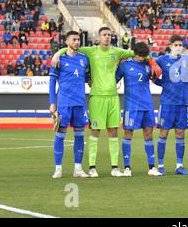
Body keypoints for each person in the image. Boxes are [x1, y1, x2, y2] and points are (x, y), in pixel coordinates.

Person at [51, 26, 162, 178]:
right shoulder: (90, 51)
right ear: (99, 36)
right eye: (104, 35)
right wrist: (58, 52)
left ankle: (115, 168)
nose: (107, 37)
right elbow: (72, 48)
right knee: (94, 132)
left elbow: (138, 52)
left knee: (113, 132)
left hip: (113, 97)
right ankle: (91, 167)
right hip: (96, 97)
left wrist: (152, 62)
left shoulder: (117, 52)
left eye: (109, 35)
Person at [115, 42, 162, 177]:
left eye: (143, 56)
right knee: (128, 133)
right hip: (131, 106)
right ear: (134, 53)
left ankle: (152, 167)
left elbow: (156, 77)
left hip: (147, 105)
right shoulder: (125, 65)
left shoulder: (149, 65)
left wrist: (154, 65)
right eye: (139, 55)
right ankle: (127, 167)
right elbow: (114, 80)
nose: (141, 58)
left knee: (148, 134)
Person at [49, 31, 90, 179]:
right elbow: (52, 82)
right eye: (74, 40)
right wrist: (52, 103)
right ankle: (58, 169)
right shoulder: (59, 59)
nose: (77, 42)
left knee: (79, 136)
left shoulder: (84, 59)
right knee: (60, 135)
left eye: (78, 40)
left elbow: (88, 78)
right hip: (64, 104)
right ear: (67, 42)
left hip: (80, 103)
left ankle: (77, 169)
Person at [154, 35, 188, 175]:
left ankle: (179, 165)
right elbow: (152, 73)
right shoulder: (161, 60)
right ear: (170, 46)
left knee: (180, 133)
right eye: (176, 45)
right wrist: (163, 83)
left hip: (182, 103)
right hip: (167, 103)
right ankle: (160, 165)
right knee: (163, 133)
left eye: (180, 45)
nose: (179, 47)